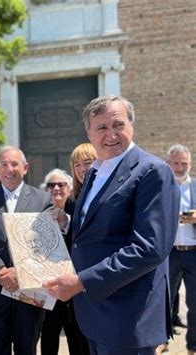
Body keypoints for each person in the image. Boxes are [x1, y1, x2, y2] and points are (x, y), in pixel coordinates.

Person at [43, 95, 180, 354]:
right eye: (102, 128)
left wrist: (82, 281)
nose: (111, 134)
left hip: (128, 317)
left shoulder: (152, 171)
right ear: (89, 133)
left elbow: (149, 248)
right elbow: (87, 237)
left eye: (118, 124)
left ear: (131, 124)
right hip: (94, 314)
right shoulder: (95, 172)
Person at [0, 145, 68, 355]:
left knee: (26, 349)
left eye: (14, 164)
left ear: (25, 168)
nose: (8, 169)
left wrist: (19, 271)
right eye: (3, 164)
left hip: (29, 293)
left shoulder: (42, 200)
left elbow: (46, 242)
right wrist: (0, 269)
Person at [40, 168, 89, 355]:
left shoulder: (79, 210)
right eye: (51, 185)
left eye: (61, 184)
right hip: (48, 289)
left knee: (77, 340)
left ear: (69, 188)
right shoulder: (38, 212)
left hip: (75, 288)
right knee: (48, 339)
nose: (56, 188)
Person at [166, 144, 196, 355]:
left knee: (195, 303)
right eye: (176, 163)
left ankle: (193, 345)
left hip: (193, 252)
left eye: (183, 163)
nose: (179, 167)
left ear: (190, 164)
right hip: (170, 252)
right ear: (169, 163)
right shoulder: (162, 187)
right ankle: (162, 341)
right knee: (164, 300)